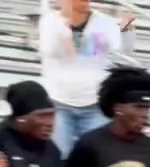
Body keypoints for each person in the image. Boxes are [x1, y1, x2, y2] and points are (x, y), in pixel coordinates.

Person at [39, 0, 136, 155]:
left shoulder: (103, 22)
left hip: (95, 102)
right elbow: (59, 51)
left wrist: (128, 24)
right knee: (58, 155)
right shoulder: (50, 21)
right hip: (59, 100)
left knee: (96, 156)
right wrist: (66, 22)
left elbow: (127, 49)